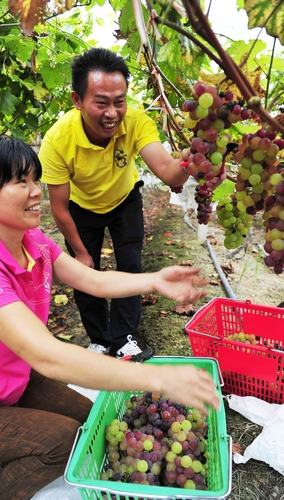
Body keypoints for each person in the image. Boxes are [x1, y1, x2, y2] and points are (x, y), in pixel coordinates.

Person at [0, 136, 219, 500]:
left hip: (12, 381)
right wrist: (155, 376)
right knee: (60, 443)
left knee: (91, 422)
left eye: (36, 179)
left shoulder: (34, 243)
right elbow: (46, 354)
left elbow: (93, 280)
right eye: (21, 181)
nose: (37, 192)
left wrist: (155, 280)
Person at [38, 47, 196, 358]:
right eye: (101, 102)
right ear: (77, 100)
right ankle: (99, 339)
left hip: (125, 202)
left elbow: (169, 172)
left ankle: (124, 338)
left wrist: (197, 153)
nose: (112, 113)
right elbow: (58, 207)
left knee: (131, 267)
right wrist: (81, 254)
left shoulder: (137, 122)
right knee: (86, 273)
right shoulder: (57, 140)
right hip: (80, 210)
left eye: (119, 101)